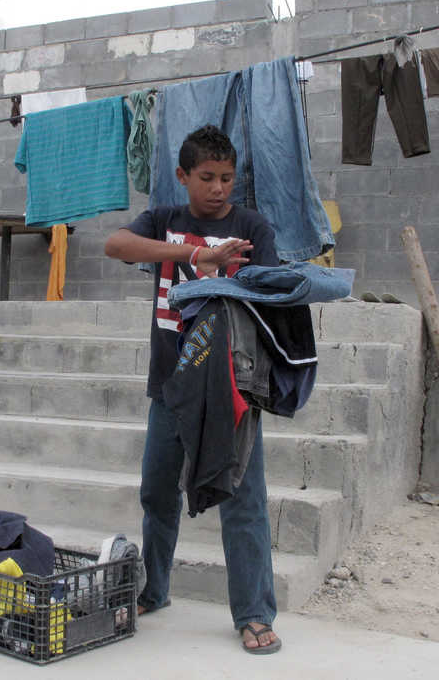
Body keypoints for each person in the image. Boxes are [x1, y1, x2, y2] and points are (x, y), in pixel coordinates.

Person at [103, 124, 282, 654]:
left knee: (243, 501)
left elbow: (271, 295)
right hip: (170, 389)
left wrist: (230, 272)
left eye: (227, 178)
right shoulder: (164, 221)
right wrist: (191, 258)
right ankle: (154, 590)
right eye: (207, 177)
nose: (219, 188)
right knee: (158, 493)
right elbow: (116, 243)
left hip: (232, 391)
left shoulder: (251, 228)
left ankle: (253, 613)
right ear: (183, 177)